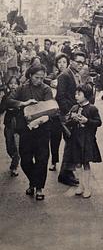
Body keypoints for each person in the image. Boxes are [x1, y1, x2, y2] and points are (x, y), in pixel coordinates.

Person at [7, 64, 53, 201]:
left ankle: (38, 188)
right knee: (25, 160)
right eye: (36, 77)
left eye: (42, 78)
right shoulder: (22, 88)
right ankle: (33, 182)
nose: (39, 80)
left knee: (42, 159)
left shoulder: (46, 89)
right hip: (26, 130)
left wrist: (39, 111)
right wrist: (23, 103)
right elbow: (9, 100)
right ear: (30, 76)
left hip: (42, 130)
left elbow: (51, 107)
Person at [65, 84, 102, 198]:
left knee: (85, 163)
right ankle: (80, 185)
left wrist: (87, 121)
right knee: (77, 162)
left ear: (86, 95)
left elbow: (98, 122)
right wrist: (72, 119)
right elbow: (68, 122)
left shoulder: (92, 108)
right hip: (76, 139)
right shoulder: (74, 108)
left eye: (79, 94)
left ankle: (87, 187)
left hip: (87, 139)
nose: (76, 96)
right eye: (76, 94)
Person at [55, 51, 86, 186]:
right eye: (78, 62)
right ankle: (65, 174)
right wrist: (69, 113)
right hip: (67, 115)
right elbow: (60, 97)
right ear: (71, 61)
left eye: (82, 62)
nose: (80, 64)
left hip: (74, 113)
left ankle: (67, 171)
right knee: (70, 143)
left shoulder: (76, 74)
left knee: (73, 143)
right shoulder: (65, 75)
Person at [47, 53, 69, 171]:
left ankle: (68, 164)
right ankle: (54, 161)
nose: (62, 65)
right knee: (55, 139)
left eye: (64, 62)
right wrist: (51, 82)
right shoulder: (54, 75)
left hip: (66, 112)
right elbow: (45, 79)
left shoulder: (70, 76)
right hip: (55, 113)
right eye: (59, 62)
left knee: (69, 138)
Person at [0, 76, 21, 177]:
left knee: (17, 146)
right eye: (11, 83)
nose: (13, 85)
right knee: (9, 146)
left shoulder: (21, 96)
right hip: (8, 123)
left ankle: (14, 166)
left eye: (15, 83)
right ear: (8, 85)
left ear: (18, 85)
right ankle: (13, 158)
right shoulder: (5, 96)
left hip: (18, 124)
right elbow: (1, 109)